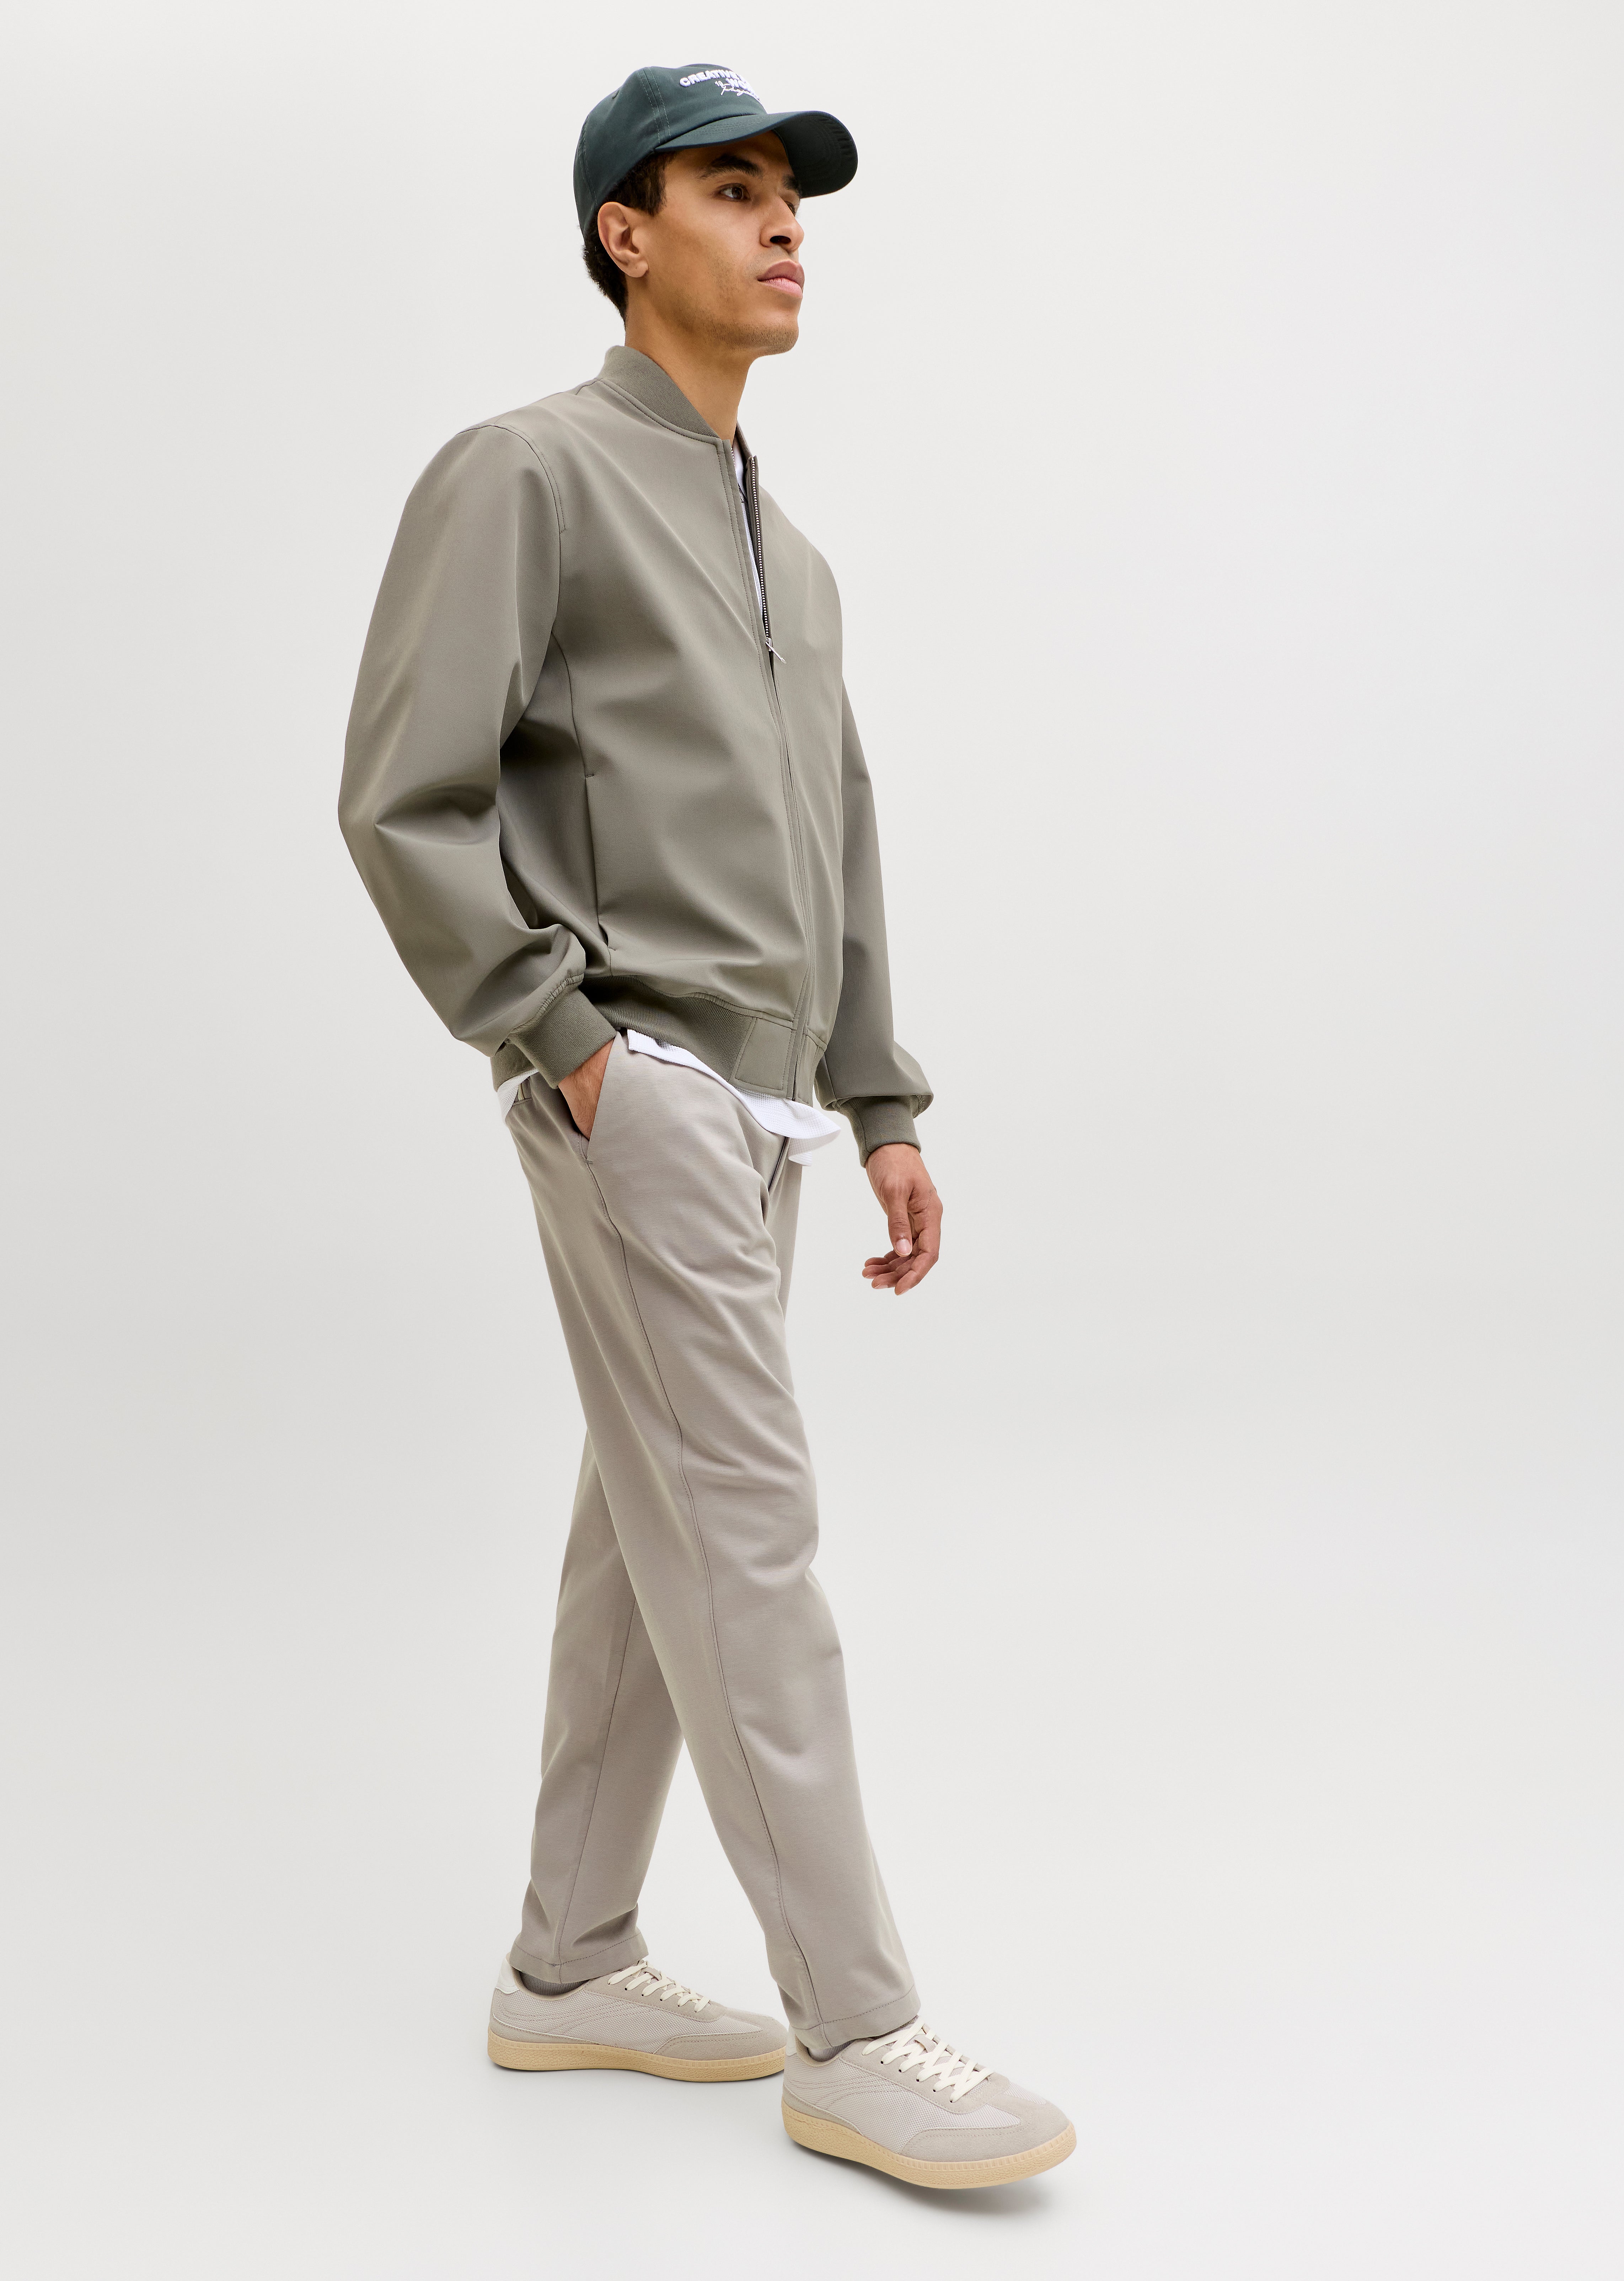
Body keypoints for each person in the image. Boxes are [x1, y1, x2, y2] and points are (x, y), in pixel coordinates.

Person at [339, 61, 1074, 2191]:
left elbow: (840, 828)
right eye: (731, 190)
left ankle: (568, 1963)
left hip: (770, 1111)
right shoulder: (527, 472)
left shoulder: (791, 551)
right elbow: (404, 794)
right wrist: (561, 1038)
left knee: (645, 1523)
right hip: (636, 1080)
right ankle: (858, 2030)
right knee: (748, 1535)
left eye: (794, 199)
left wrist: (880, 1096)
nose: (782, 227)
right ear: (622, 232)